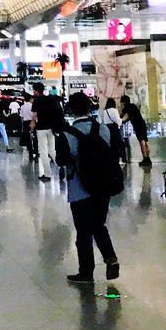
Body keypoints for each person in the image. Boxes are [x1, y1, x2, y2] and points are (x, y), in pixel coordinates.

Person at [63, 92, 120, 284]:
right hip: (103, 186)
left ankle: (86, 272)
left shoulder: (68, 134)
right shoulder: (102, 129)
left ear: (70, 110)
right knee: (98, 225)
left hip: (79, 189)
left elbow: (62, 161)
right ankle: (111, 257)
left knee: (83, 232)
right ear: (89, 108)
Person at [29, 82, 63, 181]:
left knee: (43, 151)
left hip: (41, 128)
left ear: (36, 90)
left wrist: (32, 125)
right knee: (52, 150)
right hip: (51, 128)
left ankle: (47, 174)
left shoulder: (36, 101)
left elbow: (34, 116)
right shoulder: (50, 99)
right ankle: (61, 167)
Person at [120, 96, 151, 167]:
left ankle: (145, 159)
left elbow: (124, 117)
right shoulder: (133, 106)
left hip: (137, 125)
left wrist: (120, 121)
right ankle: (148, 158)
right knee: (145, 141)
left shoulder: (126, 108)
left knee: (142, 142)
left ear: (123, 102)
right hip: (142, 123)